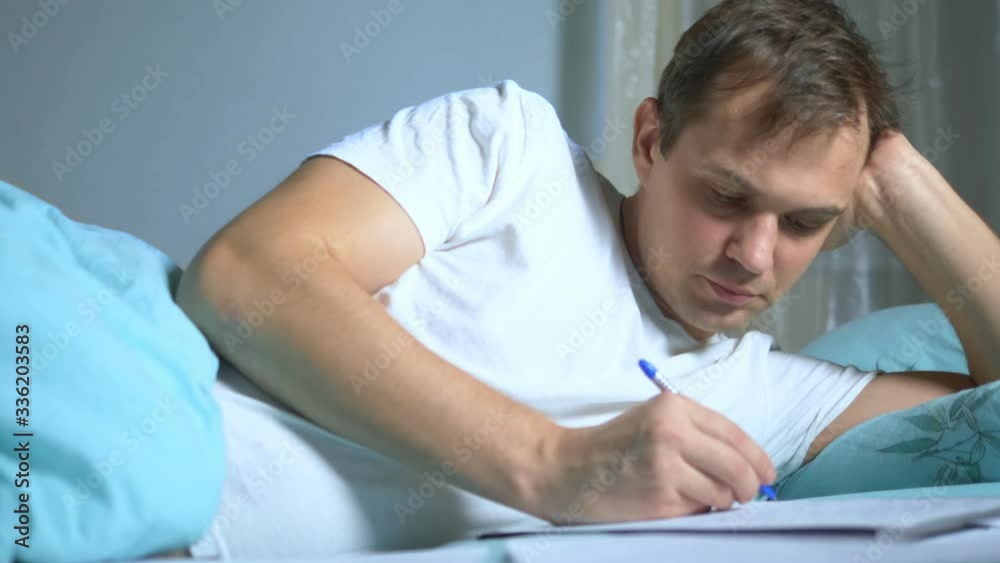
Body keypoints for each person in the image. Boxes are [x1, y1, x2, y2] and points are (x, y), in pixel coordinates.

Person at [176, 0, 997, 556]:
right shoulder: (510, 149)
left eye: (803, 222)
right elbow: (247, 273)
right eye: (726, 197)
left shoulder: (774, 396)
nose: (754, 254)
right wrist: (556, 464)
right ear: (649, 142)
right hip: (128, 481)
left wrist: (903, 185)